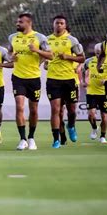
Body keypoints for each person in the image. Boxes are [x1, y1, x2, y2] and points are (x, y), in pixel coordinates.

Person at [8, 13, 53, 150]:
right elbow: (10, 53)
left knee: (33, 109)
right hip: (18, 77)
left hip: (33, 78)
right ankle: (22, 139)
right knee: (19, 106)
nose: (17, 24)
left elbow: (50, 55)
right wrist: (12, 57)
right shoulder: (12, 37)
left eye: (20, 22)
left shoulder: (40, 37)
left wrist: (36, 50)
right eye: (17, 22)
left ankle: (31, 137)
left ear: (28, 23)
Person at [45, 15, 85, 148]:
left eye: (61, 23)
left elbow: (82, 58)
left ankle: (71, 125)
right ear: (53, 25)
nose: (59, 25)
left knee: (71, 109)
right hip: (53, 80)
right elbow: (44, 57)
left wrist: (67, 56)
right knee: (56, 110)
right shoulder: (47, 40)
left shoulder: (72, 40)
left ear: (65, 25)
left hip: (69, 80)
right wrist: (45, 63)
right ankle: (57, 138)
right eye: (57, 23)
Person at [82, 43, 107, 144]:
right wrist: (84, 81)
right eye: (96, 53)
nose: (98, 55)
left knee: (105, 117)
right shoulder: (89, 61)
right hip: (91, 92)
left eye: (100, 53)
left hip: (104, 93)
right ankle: (94, 128)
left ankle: (103, 136)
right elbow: (83, 70)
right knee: (91, 115)